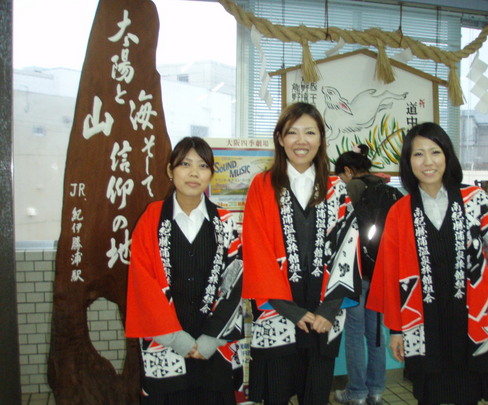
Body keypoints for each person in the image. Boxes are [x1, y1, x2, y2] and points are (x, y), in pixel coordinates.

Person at [367, 122, 488, 405]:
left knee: (469, 395)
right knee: (429, 395)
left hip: (472, 321)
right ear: (408, 162)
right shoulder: (399, 211)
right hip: (424, 325)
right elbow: (391, 276)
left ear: (447, 155)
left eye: (435, 152)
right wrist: (396, 331)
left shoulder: (476, 200)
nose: (428, 162)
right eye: (418, 154)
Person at [242, 102, 362, 405]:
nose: (301, 141)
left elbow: (348, 250)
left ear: (321, 138)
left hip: (324, 316)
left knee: (316, 395)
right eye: (292, 132)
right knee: (275, 394)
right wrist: (290, 310)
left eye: (310, 132)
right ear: (280, 139)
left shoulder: (336, 188)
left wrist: (329, 310)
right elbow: (255, 249)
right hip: (277, 311)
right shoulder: (263, 186)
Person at [125, 136, 244, 405]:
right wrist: (174, 337)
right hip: (165, 341)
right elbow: (142, 282)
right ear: (170, 170)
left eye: (202, 166)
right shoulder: (151, 218)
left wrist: (211, 338)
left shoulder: (225, 222)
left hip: (213, 345)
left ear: (211, 174)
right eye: (185, 164)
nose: (193, 173)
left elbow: (234, 282)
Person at [333, 145, 402, 405]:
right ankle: (376, 390)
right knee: (375, 334)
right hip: (381, 273)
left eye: (341, 175)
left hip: (358, 272)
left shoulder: (351, 188)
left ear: (348, 171)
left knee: (354, 333)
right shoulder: (386, 188)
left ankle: (356, 392)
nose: (341, 180)